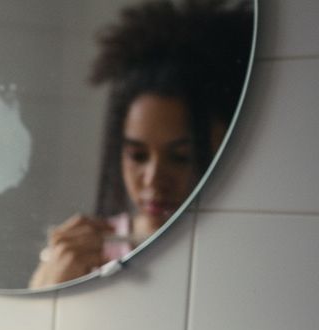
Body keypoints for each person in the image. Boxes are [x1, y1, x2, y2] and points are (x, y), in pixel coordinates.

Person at [29, 0, 252, 289]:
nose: (154, 179)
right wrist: (47, 281)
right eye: (137, 155)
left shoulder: (241, 256)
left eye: (181, 156)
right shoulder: (86, 254)